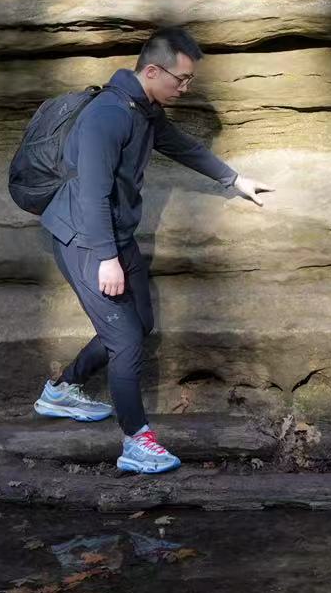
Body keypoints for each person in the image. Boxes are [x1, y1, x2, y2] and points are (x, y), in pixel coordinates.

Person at [35, 26, 274, 475]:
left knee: (140, 323)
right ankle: (135, 442)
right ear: (151, 70)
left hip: (115, 236)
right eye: (181, 79)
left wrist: (233, 179)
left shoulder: (143, 109)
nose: (185, 88)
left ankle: (63, 388)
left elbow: (181, 146)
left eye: (189, 80)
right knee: (124, 341)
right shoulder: (108, 115)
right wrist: (106, 257)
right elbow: (92, 193)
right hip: (86, 240)